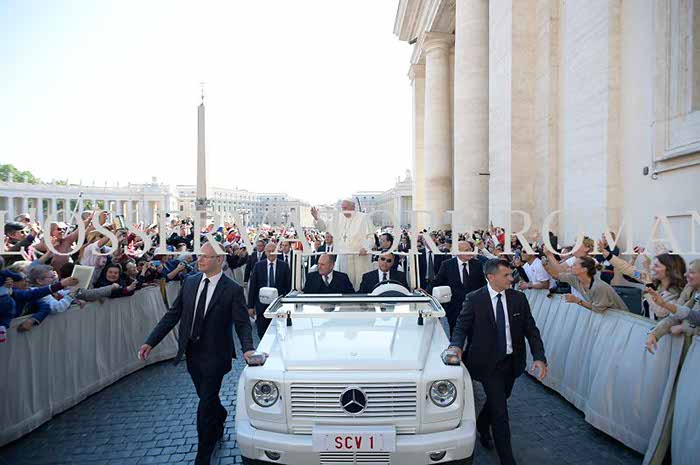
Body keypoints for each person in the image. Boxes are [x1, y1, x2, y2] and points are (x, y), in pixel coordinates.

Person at [138, 242, 255, 465]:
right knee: (206, 398)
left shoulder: (232, 289)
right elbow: (173, 315)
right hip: (192, 353)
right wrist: (150, 342)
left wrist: (248, 348)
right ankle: (220, 414)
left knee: (205, 404)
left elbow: (242, 324)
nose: (199, 259)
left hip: (216, 355)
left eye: (206, 257)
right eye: (200, 255)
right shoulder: (190, 282)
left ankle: (203, 455)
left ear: (220, 260)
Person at [448, 259, 547, 465]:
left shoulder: (518, 298)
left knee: (499, 399)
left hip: (512, 362)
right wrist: (456, 346)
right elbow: (461, 327)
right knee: (501, 413)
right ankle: (507, 459)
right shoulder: (474, 299)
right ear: (491, 277)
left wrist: (539, 357)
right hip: (487, 364)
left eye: (511, 274)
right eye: (506, 275)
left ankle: (482, 424)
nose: (511, 279)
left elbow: (531, 329)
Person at [311, 199, 374, 290]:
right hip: (343, 258)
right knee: (343, 285)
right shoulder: (338, 218)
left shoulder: (364, 217)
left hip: (359, 258)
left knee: (360, 284)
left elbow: (371, 238)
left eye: (345, 208)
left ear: (353, 207)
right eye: (342, 208)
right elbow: (324, 227)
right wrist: (317, 218)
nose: (343, 210)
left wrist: (366, 247)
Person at [429, 241, 487, 336]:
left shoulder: (477, 264)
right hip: (454, 308)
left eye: (471, 250)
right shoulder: (447, 265)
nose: (470, 252)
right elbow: (437, 281)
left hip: (474, 308)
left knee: (473, 335)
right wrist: (426, 293)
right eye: (466, 250)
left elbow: (482, 284)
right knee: (456, 335)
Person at [543, 252, 628, 313]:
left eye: (575, 265)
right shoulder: (574, 278)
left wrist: (576, 300)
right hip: (607, 316)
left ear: (584, 269)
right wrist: (545, 265)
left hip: (622, 318)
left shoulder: (599, 286)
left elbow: (597, 309)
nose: (571, 266)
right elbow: (556, 275)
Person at [248, 242, 292, 338]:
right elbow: (253, 286)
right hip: (261, 305)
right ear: (265, 252)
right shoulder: (258, 266)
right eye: (269, 251)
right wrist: (250, 306)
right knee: (262, 333)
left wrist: (287, 302)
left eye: (273, 251)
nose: (271, 253)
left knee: (279, 332)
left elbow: (288, 286)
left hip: (279, 305)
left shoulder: (284, 266)